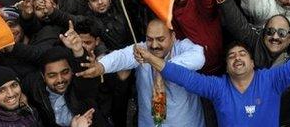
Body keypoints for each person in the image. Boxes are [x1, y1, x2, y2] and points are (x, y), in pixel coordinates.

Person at [133, 8, 290, 126]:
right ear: (226, 67)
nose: (237, 58)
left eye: (243, 54)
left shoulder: (272, 80)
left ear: (253, 62)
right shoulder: (217, 87)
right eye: (231, 56)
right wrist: (152, 59)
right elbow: (185, 78)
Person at [77, 18, 207, 126]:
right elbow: (121, 57)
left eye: (160, 39)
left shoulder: (182, 47)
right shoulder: (142, 50)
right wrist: (100, 66)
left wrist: (162, 68)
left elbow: (198, 57)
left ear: (172, 37)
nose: (154, 45)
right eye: (149, 39)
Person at [22, 32, 105, 126]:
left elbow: (85, 77)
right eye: (52, 75)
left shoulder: (81, 88)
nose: (60, 79)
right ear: (43, 77)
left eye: (65, 72)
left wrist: (79, 52)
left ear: (72, 71)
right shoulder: (33, 90)